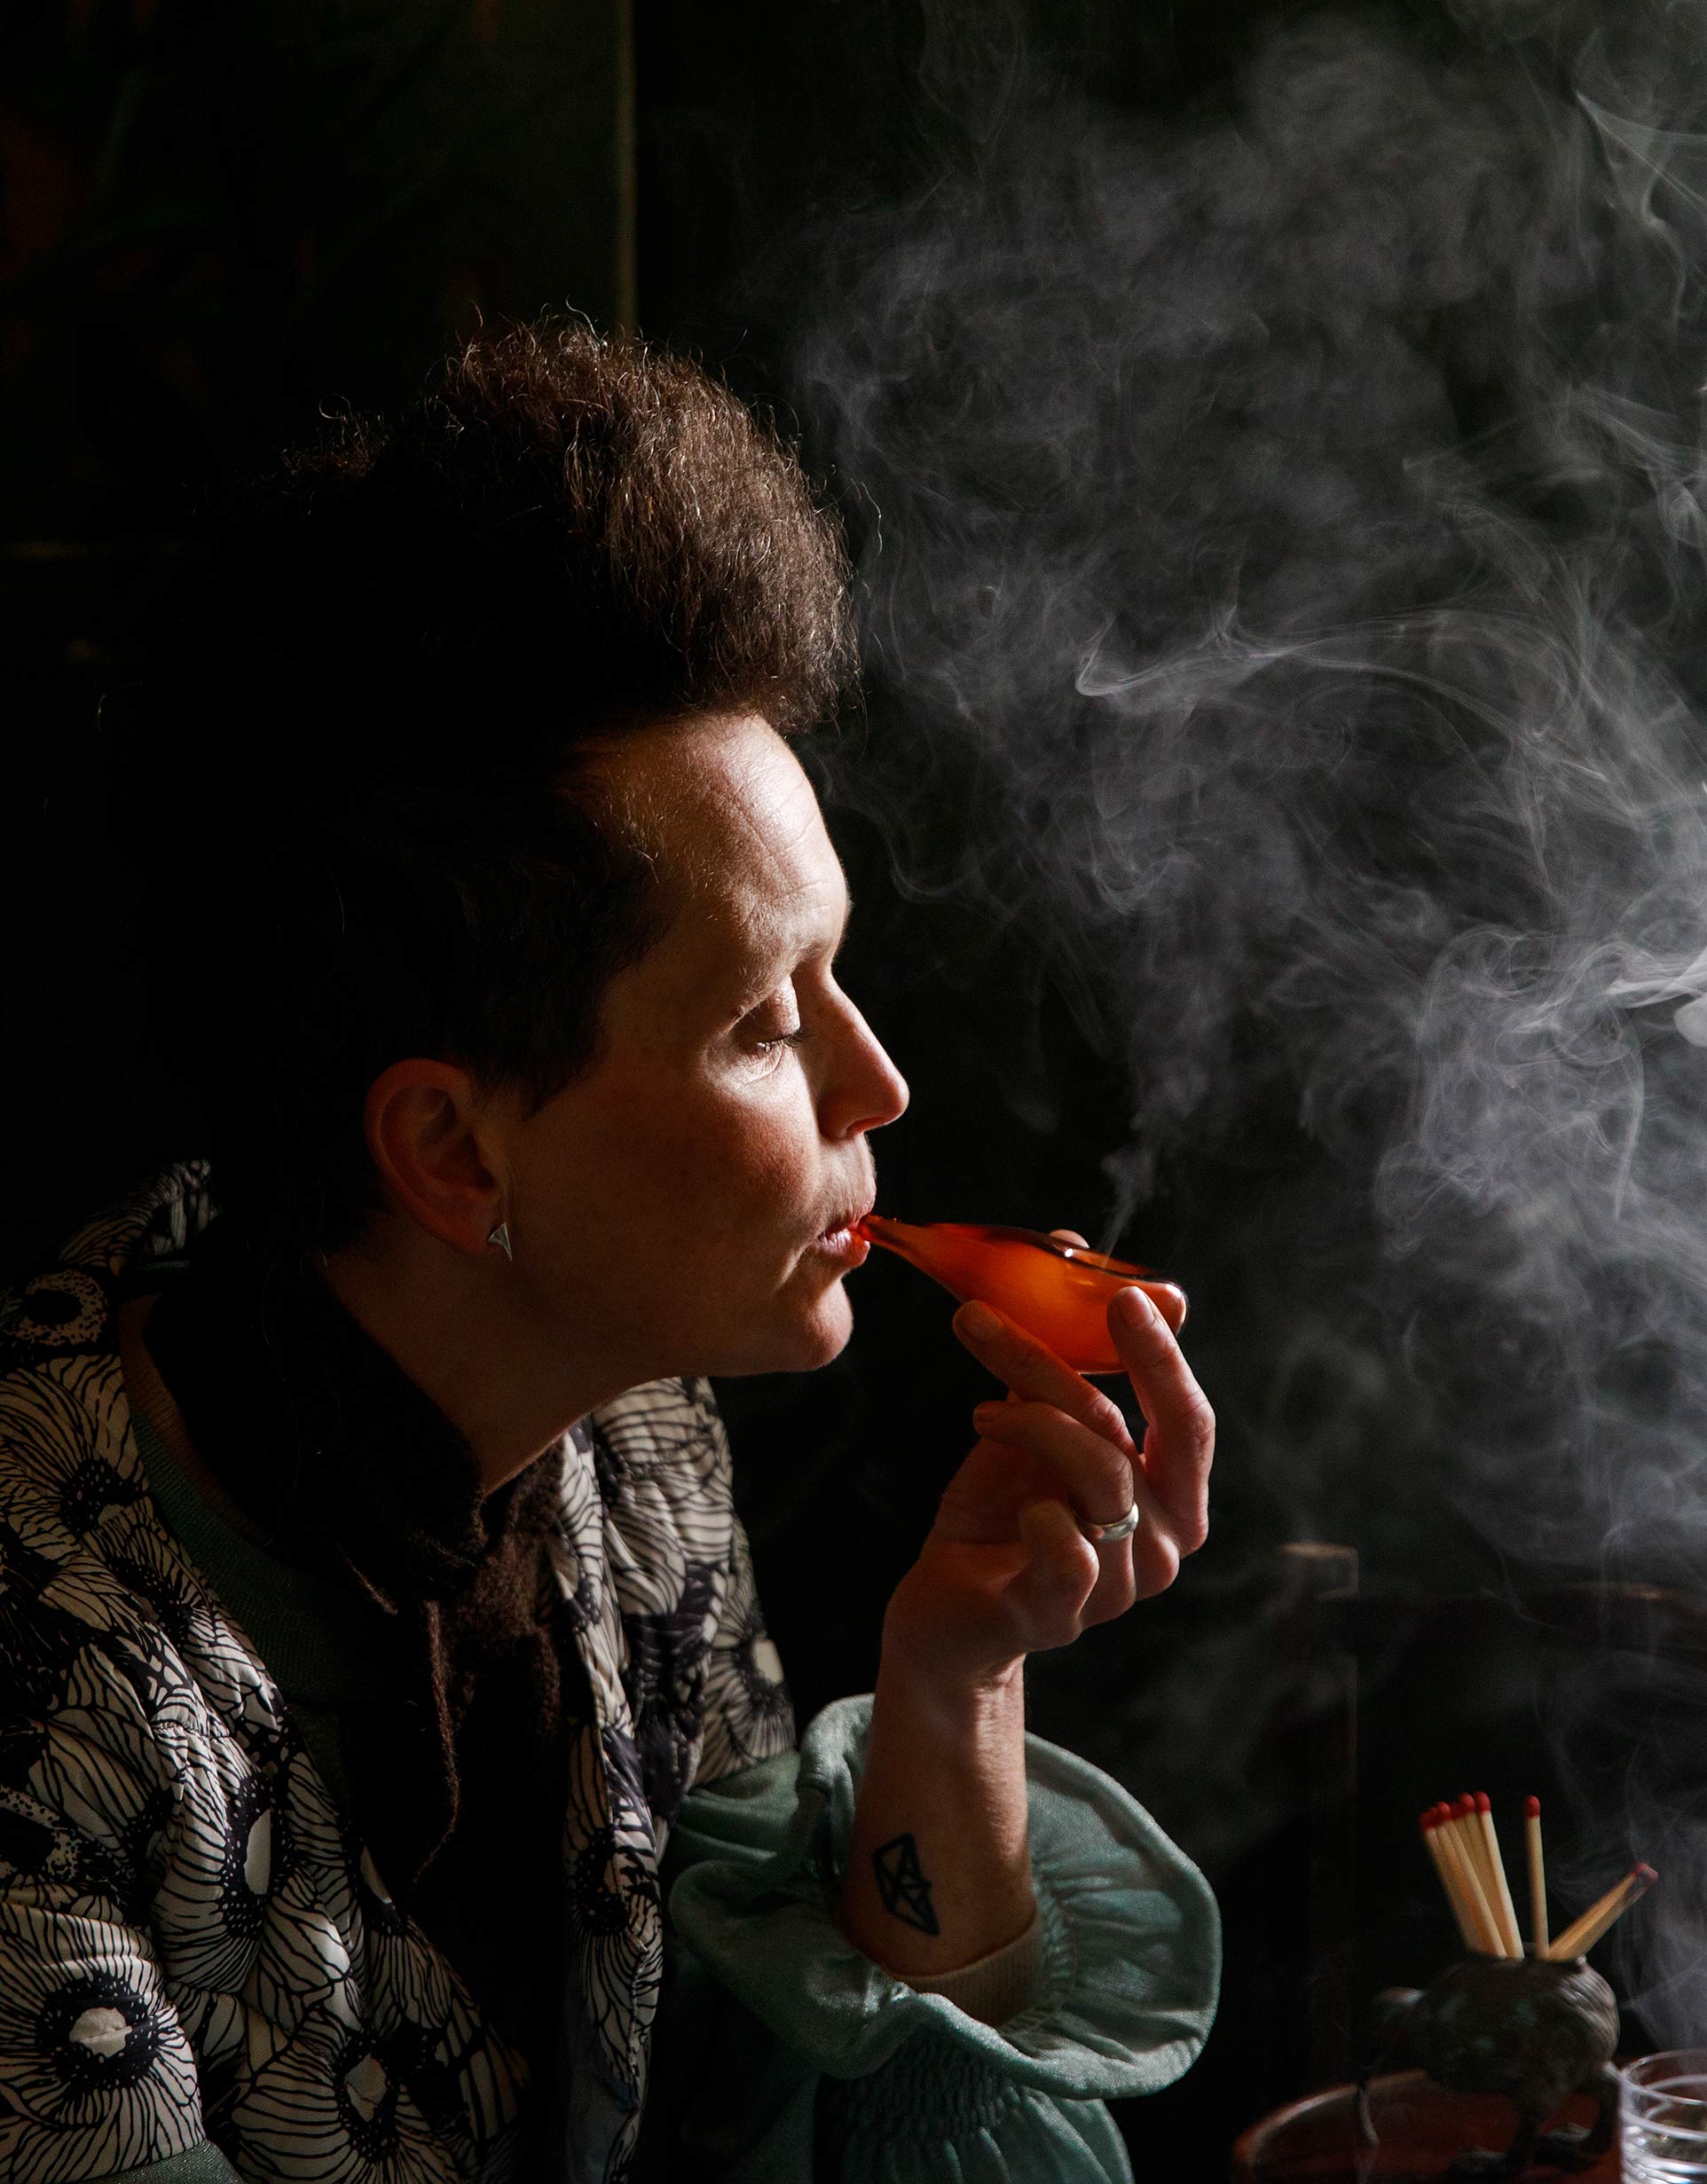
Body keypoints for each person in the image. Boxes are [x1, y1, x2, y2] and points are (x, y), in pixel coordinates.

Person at [0, 321, 1219, 2183]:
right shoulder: (39, 1660)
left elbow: (795, 2149)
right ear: (446, 1145)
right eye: (756, 1018)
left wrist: (953, 1680)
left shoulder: (631, 1450)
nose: (875, 1075)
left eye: (839, 970)